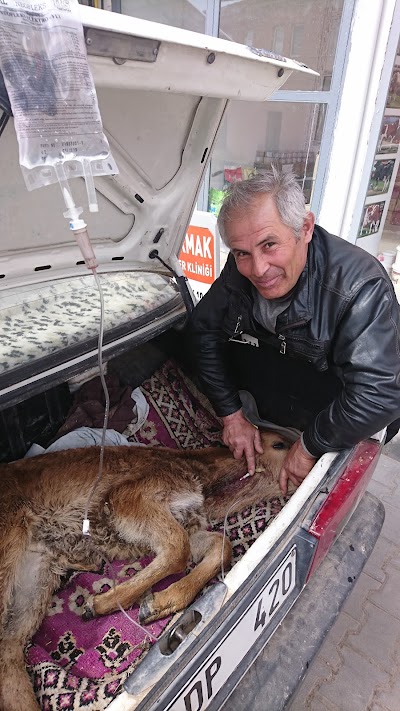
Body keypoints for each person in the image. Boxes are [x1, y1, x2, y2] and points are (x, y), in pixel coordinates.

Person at [187, 167, 400, 495]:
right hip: (284, 388)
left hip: (339, 409)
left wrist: (310, 446)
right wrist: (231, 413)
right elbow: (203, 331)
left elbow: (378, 393)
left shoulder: (359, 286)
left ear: (305, 227)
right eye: (242, 253)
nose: (258, 269)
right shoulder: (241, 268)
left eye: (269, 245)